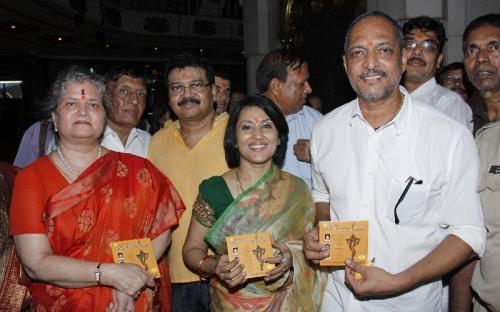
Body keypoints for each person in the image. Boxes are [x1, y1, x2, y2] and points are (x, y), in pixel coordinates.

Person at [303, 11, 486, 311]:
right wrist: (321, 233)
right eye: (358, 52)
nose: (370, 62)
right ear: (345, 64)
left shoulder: (448, 136)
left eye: (384, 50)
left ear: (402, 59)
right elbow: (322, 195)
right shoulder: (325, 131)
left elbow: (468, 232)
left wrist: (399, 280)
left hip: (409, 302)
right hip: (335, 301)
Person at [9, 66, 185, 311]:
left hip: (130, 300)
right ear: (55, 119)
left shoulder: (138, 169)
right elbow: (35, 263)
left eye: (93, 105)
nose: (83, 111)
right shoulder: (31, 179)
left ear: (104, 117)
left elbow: (162, 226)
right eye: (71, 104)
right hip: (61, 302)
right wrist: (110, 274)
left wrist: (129, 281)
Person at [182, 95, 326, 311]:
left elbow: (312, 251)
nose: (257, 135)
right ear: (235, 139)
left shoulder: (297, 190)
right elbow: (192, 250)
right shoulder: (214, 190)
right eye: (247, 127)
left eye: (267, 126)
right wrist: (215, 266)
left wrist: (293, 260)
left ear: (279, 137)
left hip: (287, 302)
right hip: (230, 303)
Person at [148, 53, 230, 312]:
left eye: (196, 85)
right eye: (177, 88)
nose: (187, 94)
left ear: (213, 91)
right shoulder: (157, 142)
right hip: (175, 276)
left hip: (229, 274)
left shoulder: (237, 134)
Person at [452, 13, 500, 312]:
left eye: (494, 47)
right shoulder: (461, 128)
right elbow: (465, 234)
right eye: (472, 50)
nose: (481, 58)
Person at [256, 48, 322, 190]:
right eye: (301, 84)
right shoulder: (245, 124)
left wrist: (319, 156)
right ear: (276, 86)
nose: (309, 89)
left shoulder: (317, 122)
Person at [402, 16, 473, 131]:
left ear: (439, 59)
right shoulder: (388, 99)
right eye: (410, 44)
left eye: (428, 46)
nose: (417, 51)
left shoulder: (449, 104)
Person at [102, 65, 151, 157]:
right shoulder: (89, 142)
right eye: (124, 91)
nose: (135, 101)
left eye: (141, 94)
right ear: (106, 97)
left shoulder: (150, 144)